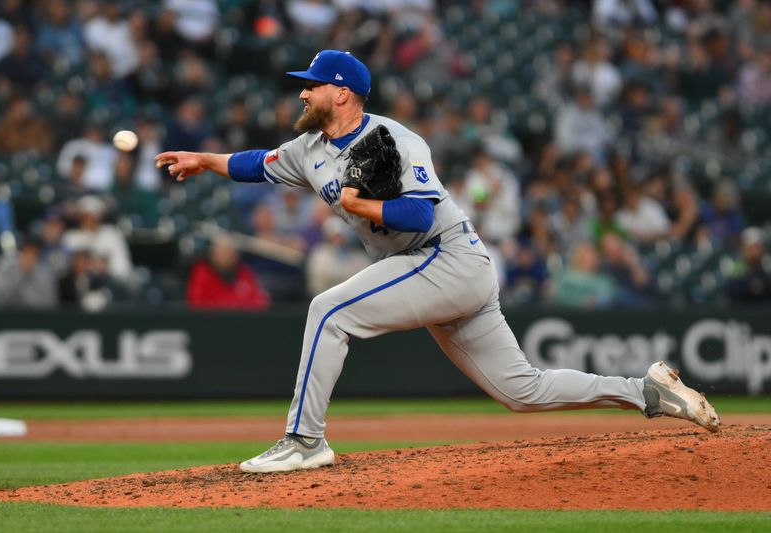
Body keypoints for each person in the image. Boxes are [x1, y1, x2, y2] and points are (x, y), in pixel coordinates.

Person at [155, 50, 720, 474]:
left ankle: (305, 441)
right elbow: (258, 162)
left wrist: (363, 203)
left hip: (448, 258)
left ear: (343, 92)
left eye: (312, 87)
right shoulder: (308, 149)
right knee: (522, 391)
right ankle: (645, 391)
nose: (302, 94)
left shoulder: (394, 139)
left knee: (329, 310)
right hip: (424, 272)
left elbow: (421, 218)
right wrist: (204, 160)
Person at [186, 234, 271, 310]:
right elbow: (197, 303)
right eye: (222, 253)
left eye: (230, 253)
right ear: (213, 255)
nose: (226, 257)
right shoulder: (202, 272)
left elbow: (257, 301)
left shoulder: (244, 272)